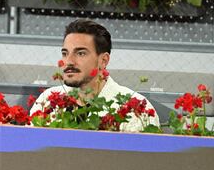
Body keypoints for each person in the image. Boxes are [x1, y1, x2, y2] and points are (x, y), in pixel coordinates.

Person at [30, 19, 160, 132]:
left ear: (103, 60)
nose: (69, 61)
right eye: (65, 53)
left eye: (80, 53)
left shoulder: (134, 108)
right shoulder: (47, 100)